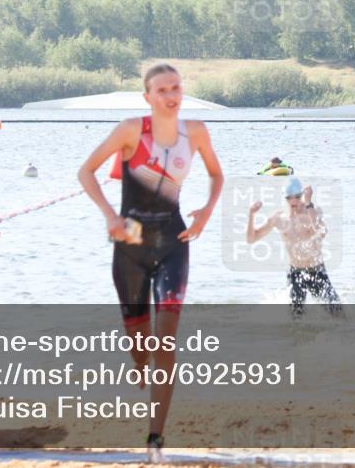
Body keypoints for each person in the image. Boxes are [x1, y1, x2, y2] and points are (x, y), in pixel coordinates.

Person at [77, 63, 224, 459]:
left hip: (175, 242)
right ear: (148, 97)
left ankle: (155, 436)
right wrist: (110, 216)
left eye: (176, 88)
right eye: (162, 90)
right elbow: (86, 171)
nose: (171, 95)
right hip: (132, 248)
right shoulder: (130, 130)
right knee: (141, 347)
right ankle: (139, 363)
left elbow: (216, 175)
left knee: (166, 339)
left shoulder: (195, 132)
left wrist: (206, 212)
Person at [246, 177, 342, 318]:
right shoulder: (278, 218)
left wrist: (309, 203)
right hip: (295, 273)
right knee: (296, 318)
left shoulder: (312, 211)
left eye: (297, 197)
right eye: (289, 198)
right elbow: (251, 238)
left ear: (302, 195)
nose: (294, 201)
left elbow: (321, 232)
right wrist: (251, 214)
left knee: (338, 313)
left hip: (316, 270)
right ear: (284, 198)